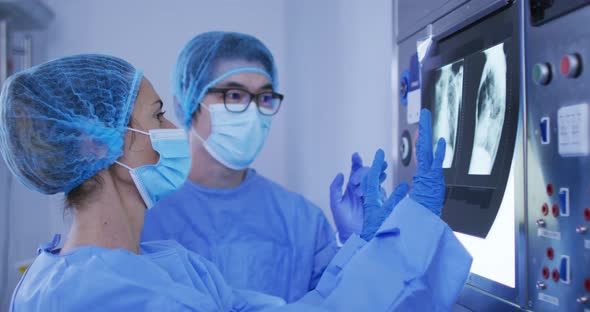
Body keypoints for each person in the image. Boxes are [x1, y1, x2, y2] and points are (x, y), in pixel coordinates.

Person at [2, 54, 471, 311]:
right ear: (94, 145)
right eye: (157, 114)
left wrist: (370, 246)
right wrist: (407, 240)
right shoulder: (104, 298)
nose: (171, 129)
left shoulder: (162, 267)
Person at [141, 31, 383, 301]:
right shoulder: (144, 213)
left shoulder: (302, 219)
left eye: (265, 98)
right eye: (234, 95)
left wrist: (354, 247)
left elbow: (340, 303)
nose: (253, 112)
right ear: (185, 102)